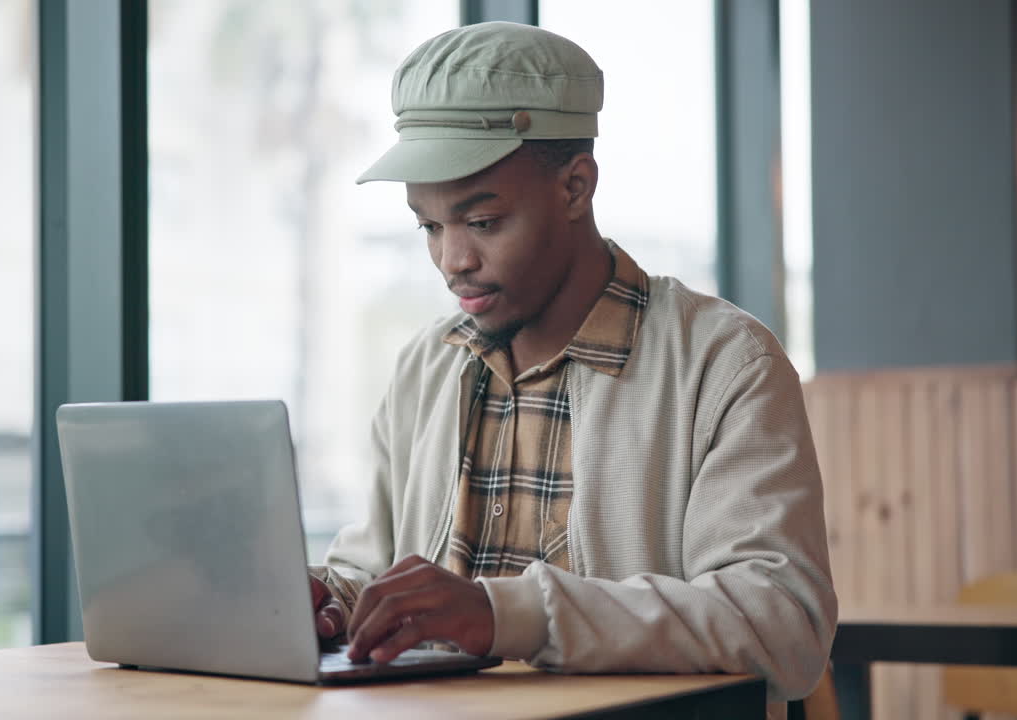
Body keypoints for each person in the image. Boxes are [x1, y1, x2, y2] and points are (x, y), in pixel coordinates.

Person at [307, 21, 836, 718]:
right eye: (430, 226)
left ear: (575, 188)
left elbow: (783, 626)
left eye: (483, 221)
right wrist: (329, 602)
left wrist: (508, 615)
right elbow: (367, 573)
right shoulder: (424, 368)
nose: (452, 260)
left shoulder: (725, 363)